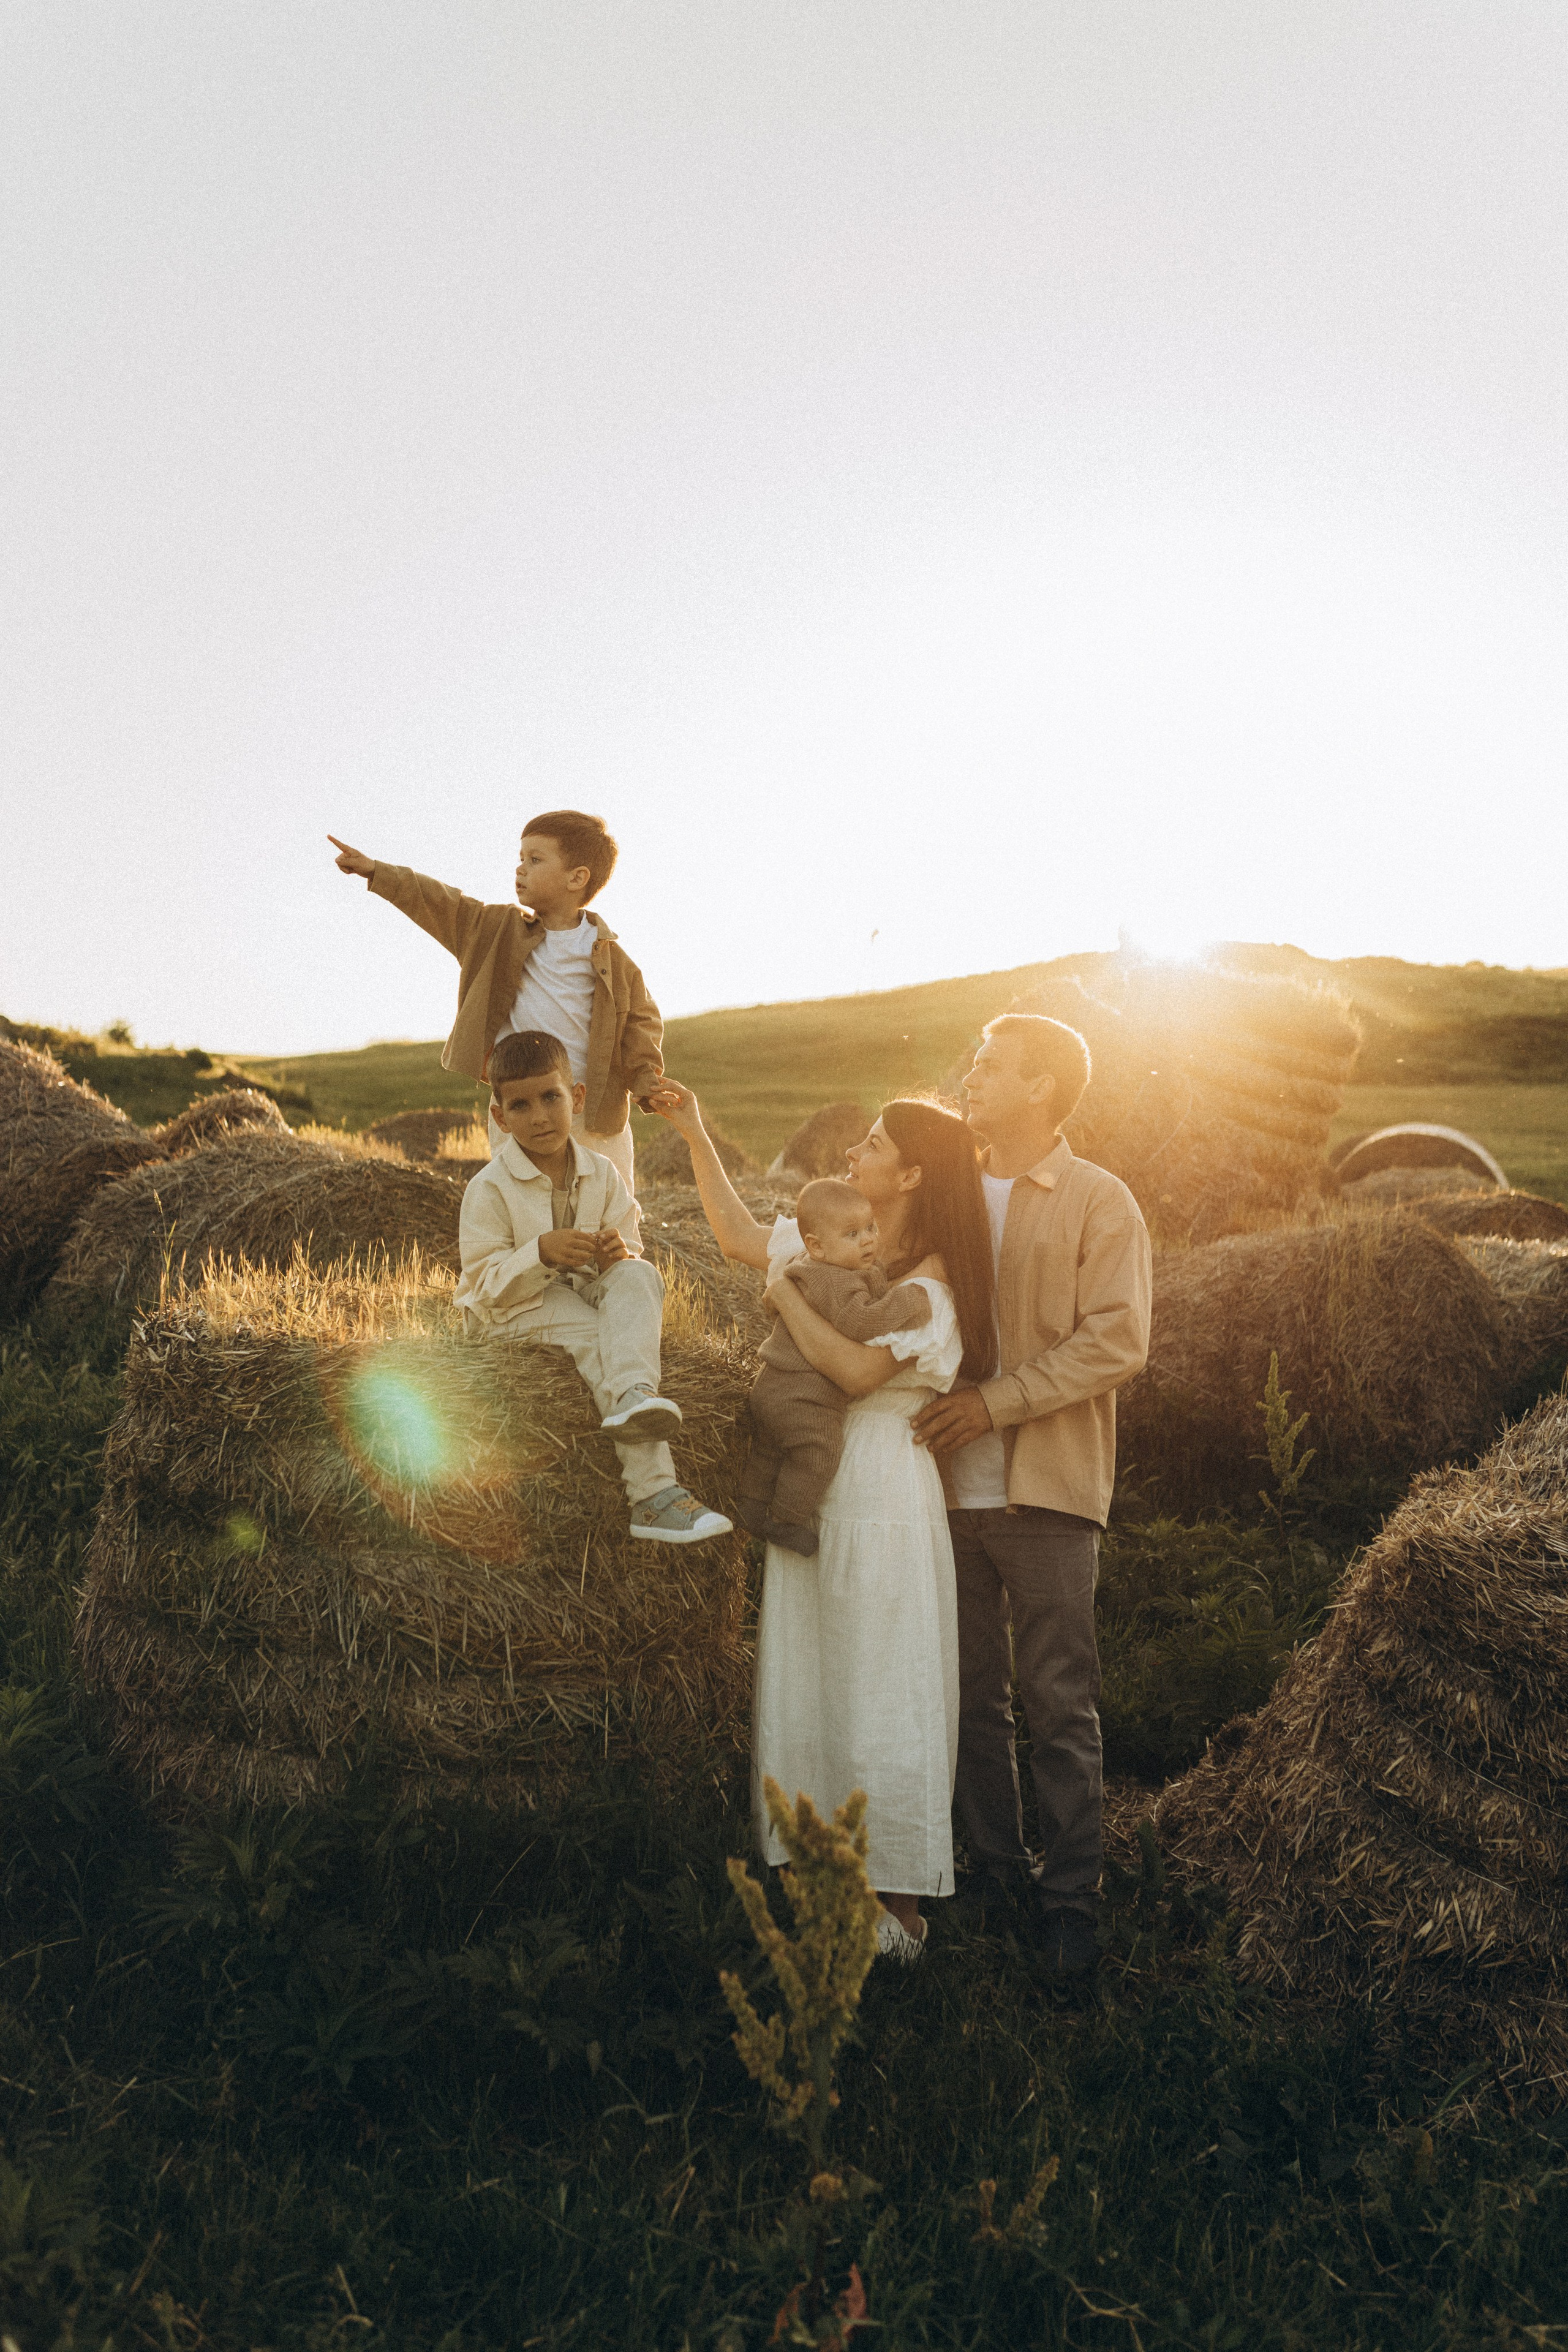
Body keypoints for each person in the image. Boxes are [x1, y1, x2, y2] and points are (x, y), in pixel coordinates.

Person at [648, 1081, 995, 1962]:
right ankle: (822, 1883)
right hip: (821, 1490)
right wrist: (693, 1125)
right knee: (815, 1678)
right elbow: (734, 1235)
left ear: (913, 1175)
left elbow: (851, 1373)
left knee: (884, 1684)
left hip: (882, 1489)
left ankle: (900, 1910)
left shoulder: (933, 1288)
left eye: (873, 1145)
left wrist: (787, 1300)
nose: (854, 1153)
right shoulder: (837, 1250)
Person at [911, 1015, 1152, 1973]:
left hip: (1049, 1488)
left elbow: (1117, 1341)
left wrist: (995, 1405)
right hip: (944, 1490)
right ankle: (998, 1874)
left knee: (1058, 1702)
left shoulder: (1101, 1200)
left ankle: (1070, 1903)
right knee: (967, 1698)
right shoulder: (945, 1191)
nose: (972, 1077)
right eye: (974, 1060)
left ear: (1044, 1087)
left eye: (993, 1066)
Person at [457, 1029, 731, 1545]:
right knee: (589, 1331)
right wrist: (539, 1253)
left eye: (551, 1097)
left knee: (640, 1275)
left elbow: (628, 1249)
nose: (539, 1116)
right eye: (520, 1105)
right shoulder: (488, 1189)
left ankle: (634, 1395)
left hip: (574, 1293)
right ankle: (653, 1494)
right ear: (499, 1118)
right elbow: (486, 1286)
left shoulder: (603, 1174)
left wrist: (612, 1259)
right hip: (508, 1312)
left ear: (577, 1097)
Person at [328, 810, 660, 1192]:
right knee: (523, 1208)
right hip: (521, 1106)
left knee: (610, 1212)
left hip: (594, 1110)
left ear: (577, 877)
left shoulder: (616, 961)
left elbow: (641, 1023)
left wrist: (646, 1079)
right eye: (520, 859)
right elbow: (441, 902)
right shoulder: (495, 930)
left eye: (535, 860)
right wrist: (377, 872)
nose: (520, 869)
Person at [738, 1177, 932, 1556]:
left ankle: (748, 1505)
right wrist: (907, 1303)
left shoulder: (804, 1266)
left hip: (770, 1387)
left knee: (767, 1450)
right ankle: (786, 1519)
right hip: (805, 1400)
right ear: (817, 1246)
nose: (867, 1240)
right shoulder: (836, 1281)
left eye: (871, 1228)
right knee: (818, 1453)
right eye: (852, 1234)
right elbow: (860, 1323)